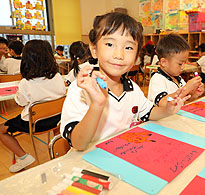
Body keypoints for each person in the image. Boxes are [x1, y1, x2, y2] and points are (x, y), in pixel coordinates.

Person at [60, 12, 190, 151]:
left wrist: (167, 110)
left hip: (123, 154)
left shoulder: (132, 88)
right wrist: (96, 105)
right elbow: (79, 144)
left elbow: (148, 112)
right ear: (94, 49)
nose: (119, 55)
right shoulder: (81, 89)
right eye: (110, 44)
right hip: (87, 162)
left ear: (136, 57)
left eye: (128, 48)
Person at [0, 40, 66, 172]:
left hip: (34, 123)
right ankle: (59, 150)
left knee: (1, 130)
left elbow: (20, 102)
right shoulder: (58, 77)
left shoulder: (26, 83)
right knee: (53, 116)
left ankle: (23, 157)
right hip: (57, 119)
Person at [147, 33, 204, 106]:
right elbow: (164, 102)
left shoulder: (177, 78)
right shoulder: (157, 79)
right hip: (163, 117)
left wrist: (194, 93)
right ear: (164, 62)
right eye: (180, 64)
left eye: (184, 63)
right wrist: (187, 88)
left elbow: (185, 97)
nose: (183, 67)